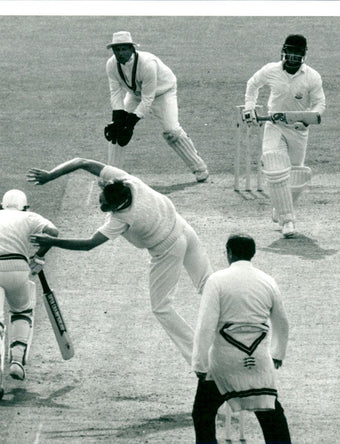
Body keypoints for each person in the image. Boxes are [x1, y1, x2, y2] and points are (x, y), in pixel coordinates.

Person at [27, 157, 213, 365]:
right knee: (209, 284)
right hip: (184, 228)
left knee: (161, 307)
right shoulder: (125, 180)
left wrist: (51, 241)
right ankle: (240, 327)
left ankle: (201, 359)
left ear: (118, 205)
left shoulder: (123, 218)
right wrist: (50, 175)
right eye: (101, 200)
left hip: (168, 247)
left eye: (105, 206)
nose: (101, 208)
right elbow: (81, 162)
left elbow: (89, 244)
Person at [189, 233, 297, 444]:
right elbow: (282, 321)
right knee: (270, 409)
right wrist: (277, 353)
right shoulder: (268, 281)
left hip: (224, 361)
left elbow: (206, 324)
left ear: (228, 252)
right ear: (253, 253)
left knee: (203, 411)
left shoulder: (216, 281)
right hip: (259, 358)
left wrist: (199, 362)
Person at [0, 189, 59, 400]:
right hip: (17, 266)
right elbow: (53, 232)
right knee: (22, 311)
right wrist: (39, 256)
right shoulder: (28, 216)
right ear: (26, 207)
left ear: (1, 206)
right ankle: (16, 361)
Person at [243, 34, 326, 238]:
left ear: (304, 54)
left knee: (296, 175)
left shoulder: (312, 76)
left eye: (298, 52)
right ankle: (288, 219)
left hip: (298, 129)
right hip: (274, 125)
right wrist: (250, 108)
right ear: (284, 50)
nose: (293, 56)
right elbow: (252, 84)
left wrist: (306, 119)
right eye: (290, 51)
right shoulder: (270, 70)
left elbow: (319, 104)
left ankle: (280, 207)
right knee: (274, 164)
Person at [103, 31, 209, 183]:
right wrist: (118, 119)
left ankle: (200, 168)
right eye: (116, 49)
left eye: (123, 49)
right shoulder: (111, 64)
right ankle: (112, 177)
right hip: (135, 94)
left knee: (172, 131)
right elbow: (115, 92)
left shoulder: (147, 63)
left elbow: (148, 98)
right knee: (117, 131)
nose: (120, 53)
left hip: (163, 92)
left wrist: (131, 123)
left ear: (132, 49)